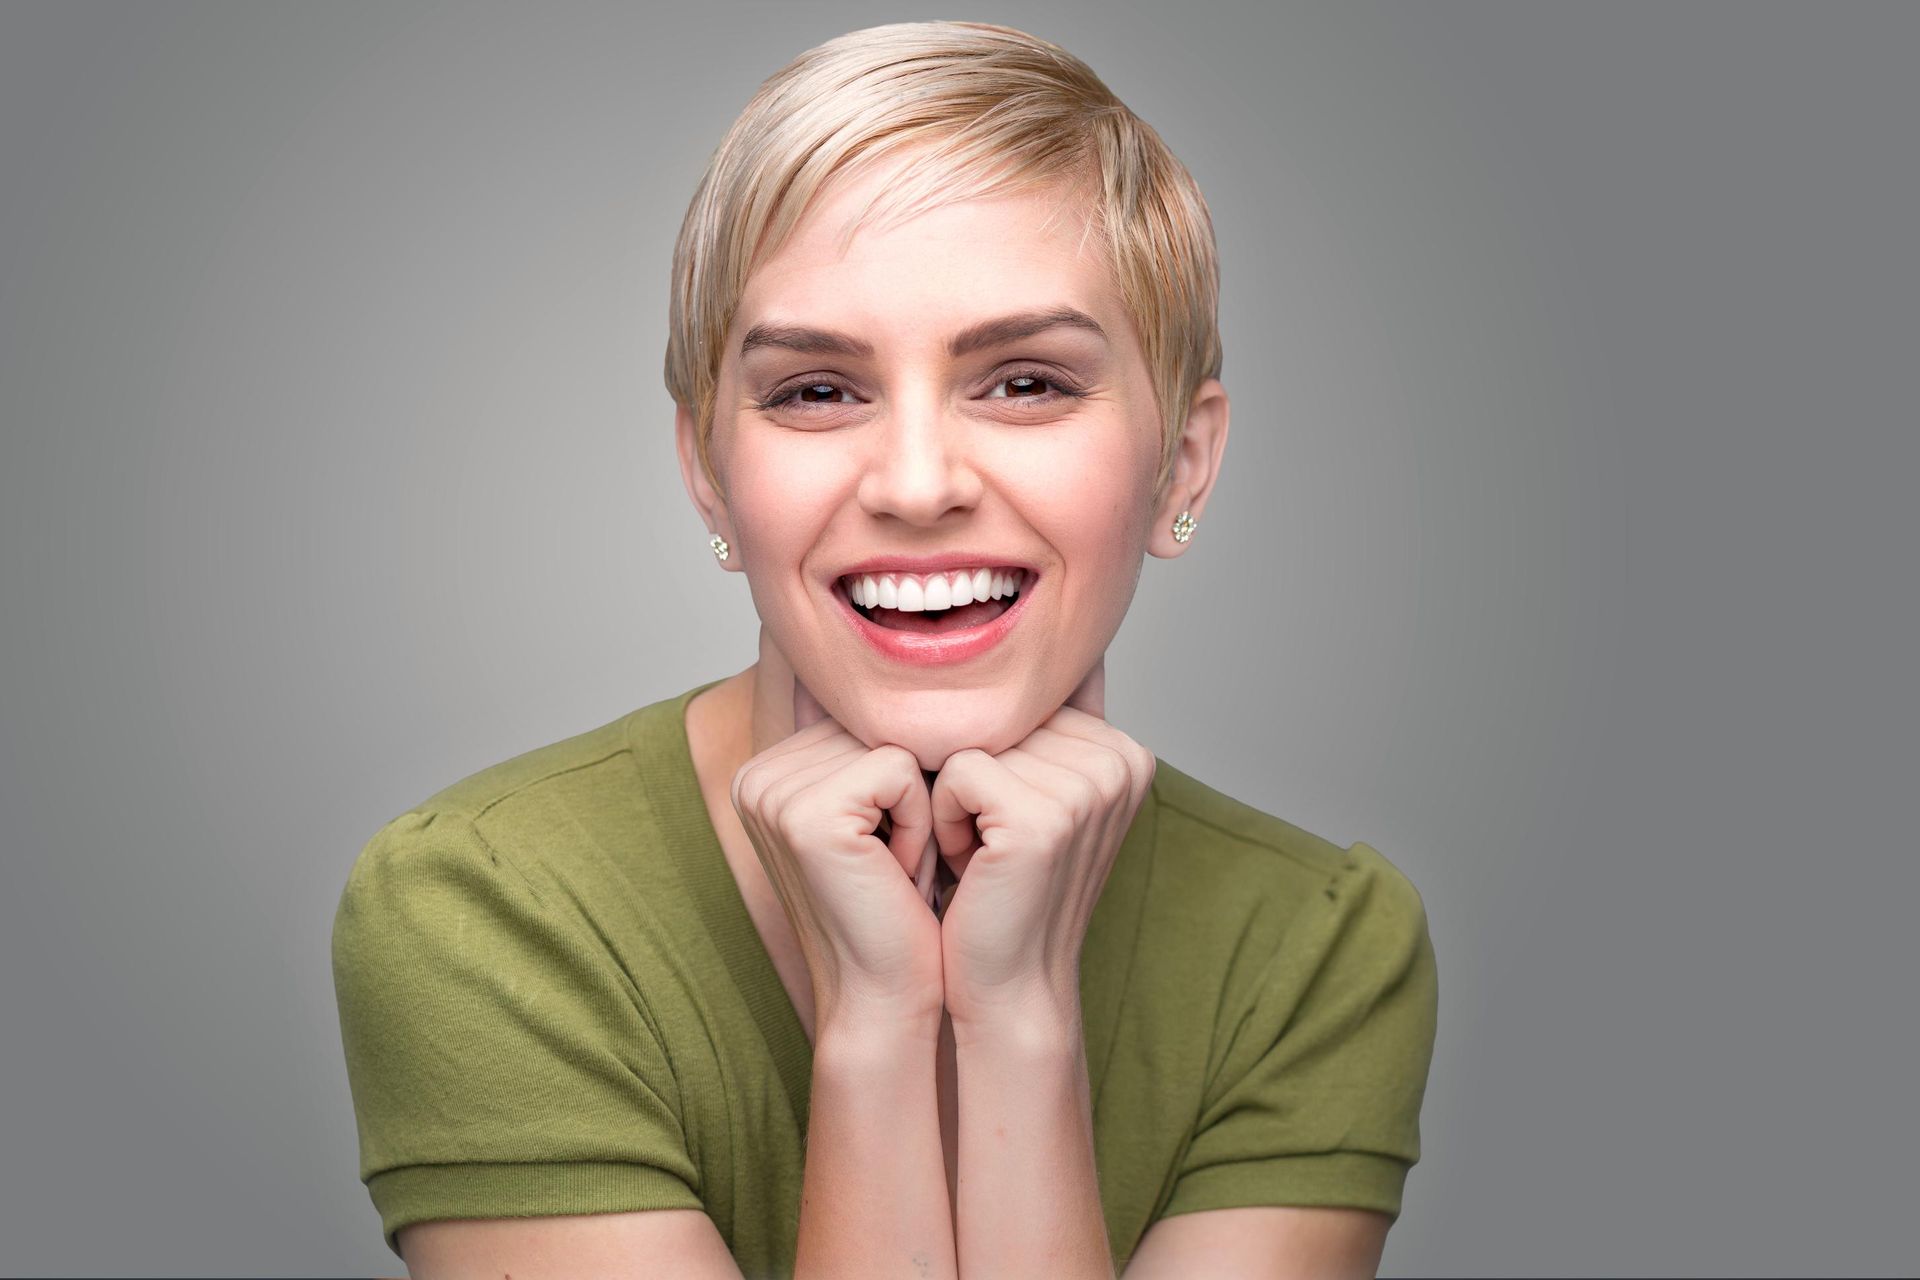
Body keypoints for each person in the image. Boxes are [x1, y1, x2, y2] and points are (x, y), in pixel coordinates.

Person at [331, 20, 1437, 1279]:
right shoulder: (486, 910)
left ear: (1181, 461)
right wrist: (878, 1025)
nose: (916, 484)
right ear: (708, 471)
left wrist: (1017, 1019)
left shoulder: (1315, 943)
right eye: (816, 389)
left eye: (1025, 382)